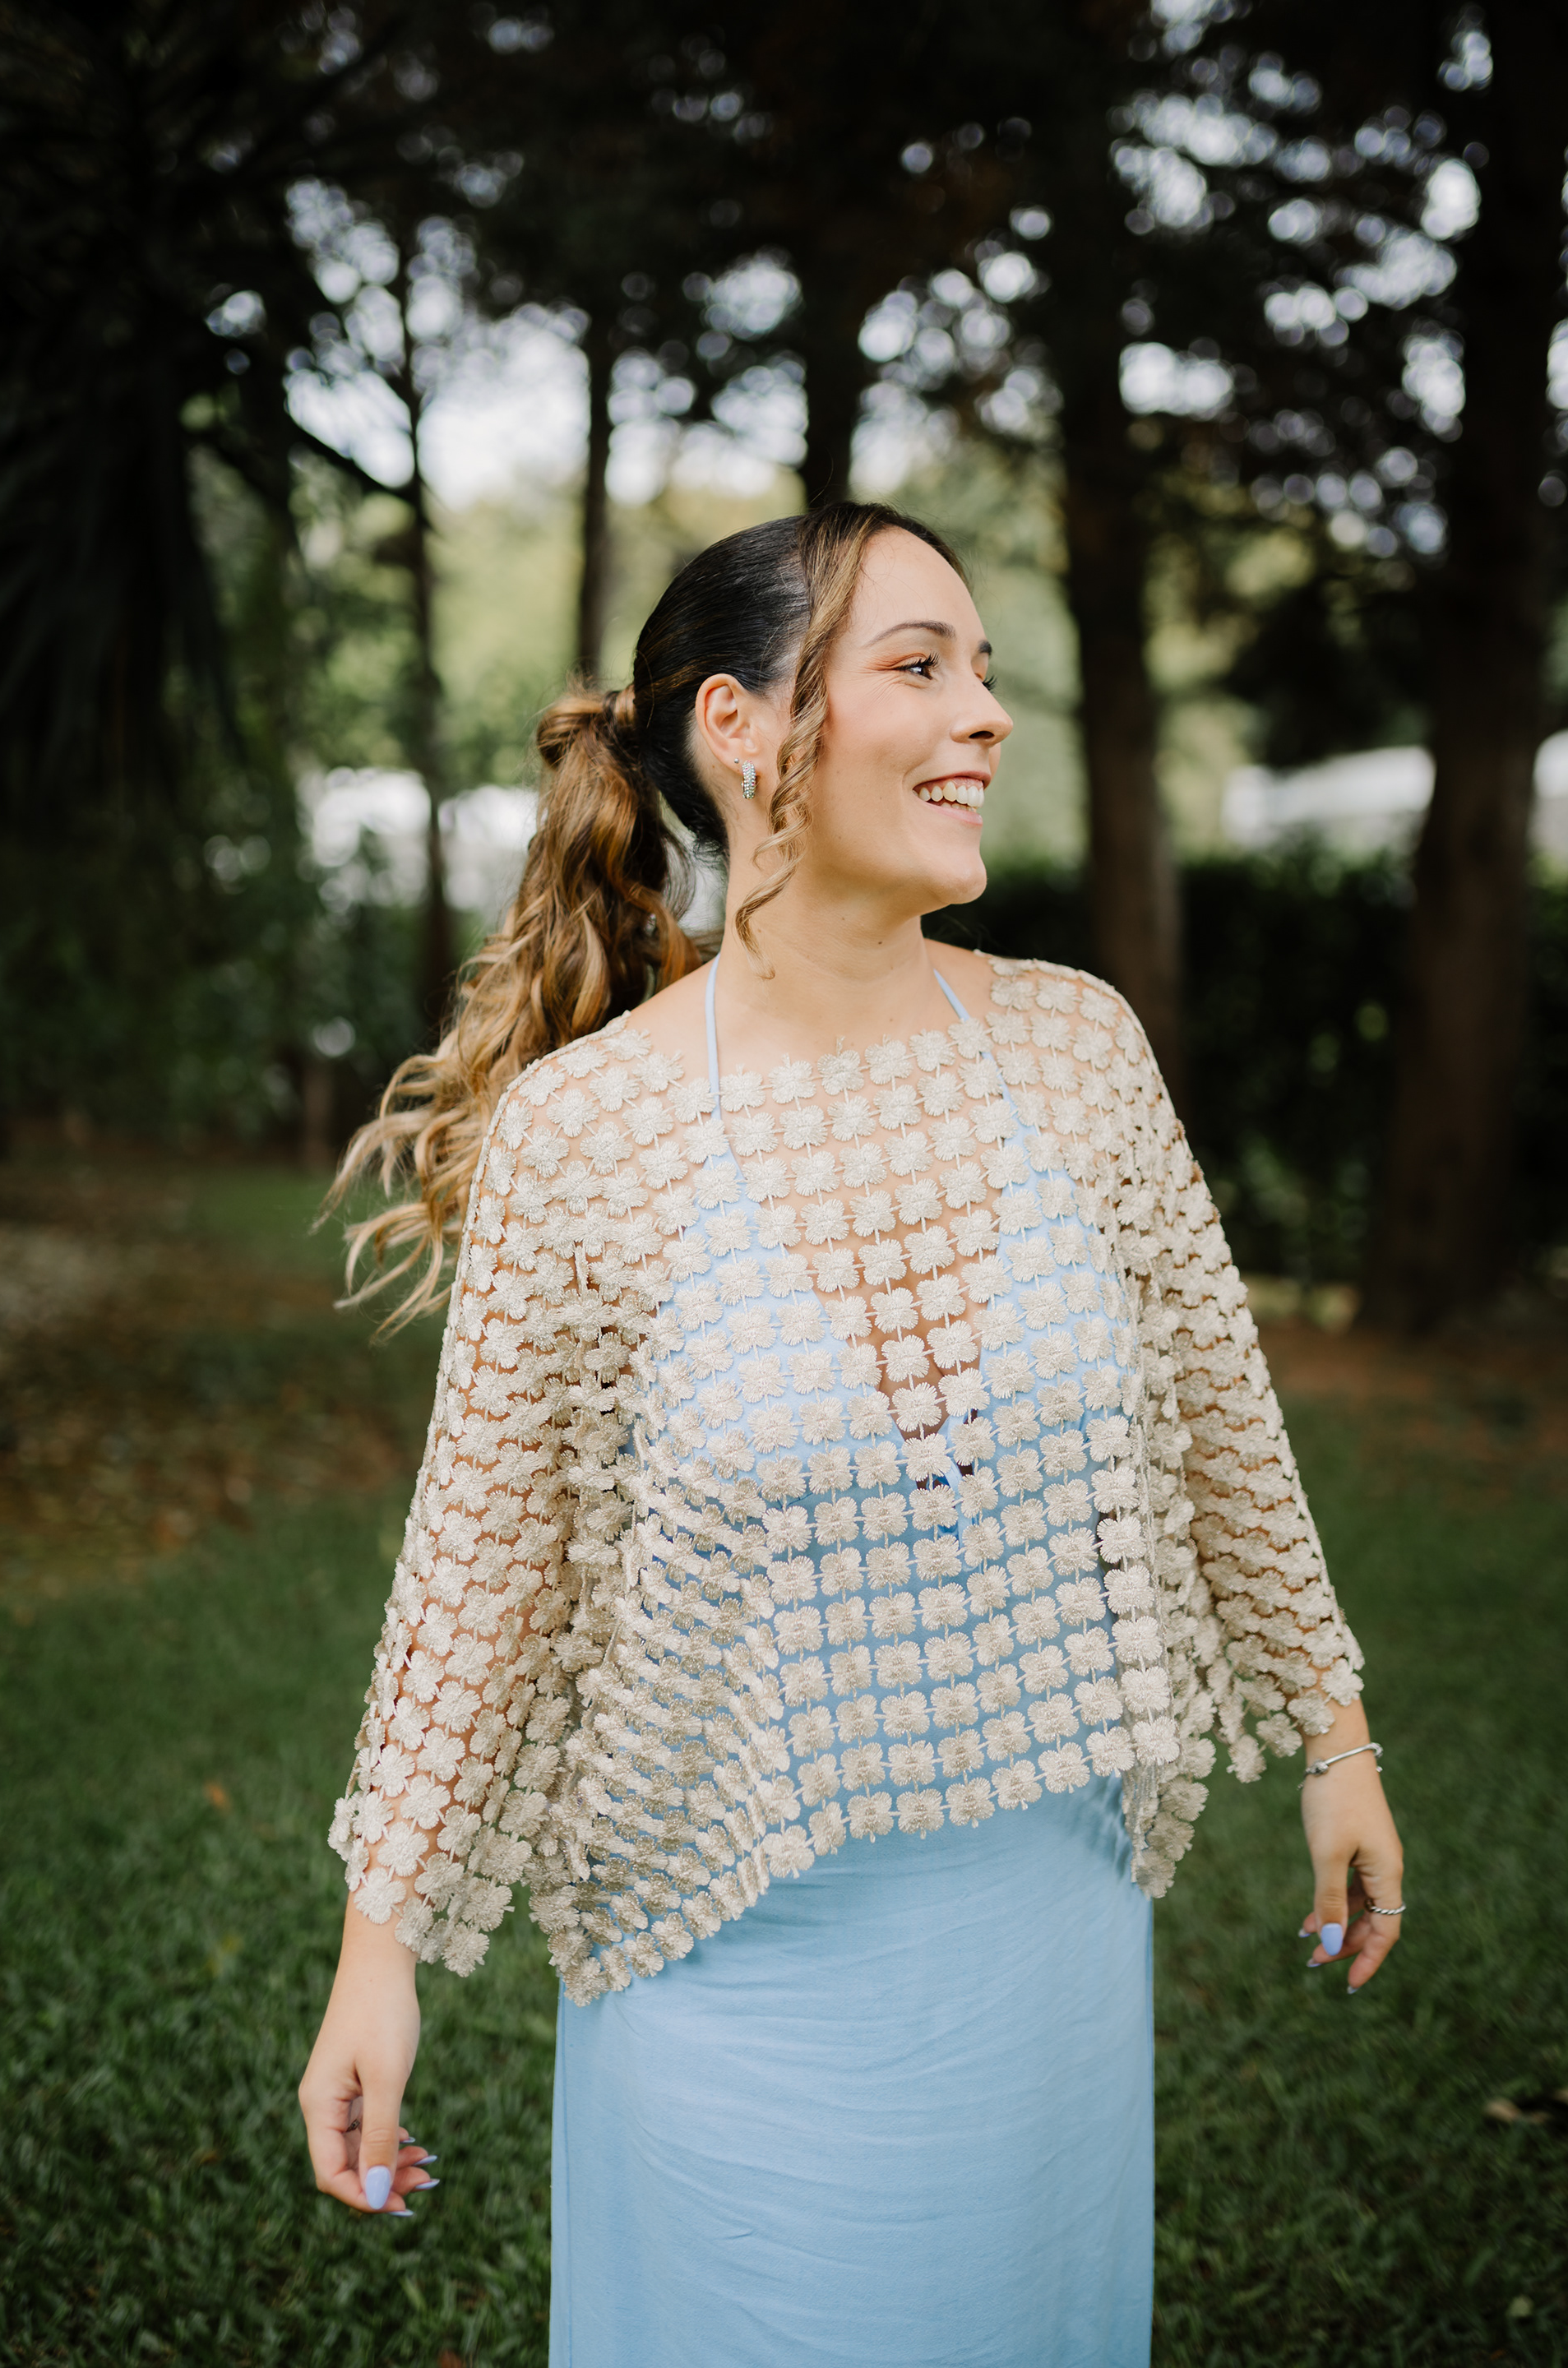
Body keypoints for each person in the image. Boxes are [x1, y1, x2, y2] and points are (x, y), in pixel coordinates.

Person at [298, 502, 1404, 2366]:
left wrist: (1335, 1737)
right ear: (741, 729)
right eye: (919, 665)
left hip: (1051, 1944)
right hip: (726, 1977)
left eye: (983, 668)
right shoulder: (588, 1137)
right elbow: (483, 1574)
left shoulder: (1080, 1050)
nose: (985, 713)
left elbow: (1223, 1418)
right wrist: (377, 1954)